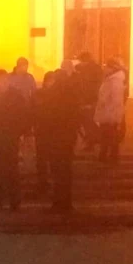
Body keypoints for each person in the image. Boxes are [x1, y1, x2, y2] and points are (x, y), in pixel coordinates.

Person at [0, 69, 30, 211]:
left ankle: (14, 201)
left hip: (10, 139)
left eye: (5, 81)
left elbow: (23, 116)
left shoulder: (16, 96)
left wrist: (20, 133)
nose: (2, 84)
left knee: (11, 170)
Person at [44, 69, 81, 212]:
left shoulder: (52, 94)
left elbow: (47, 118)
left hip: (55, 139)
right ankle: (67, 202)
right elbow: (75, 117)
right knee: (66, 171)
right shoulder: (71, 95)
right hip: (67, 139)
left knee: (57, 172)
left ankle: (58, 201)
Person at [94, 59, 126, 165]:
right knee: (107, 135)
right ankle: (106, 155)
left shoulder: (114, 81)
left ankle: (110, 156)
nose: (104, 69)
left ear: (112, 68)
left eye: (107, 66)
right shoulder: (111, 80)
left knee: (109, 135)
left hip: (110, 113)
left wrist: (112, 113)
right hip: (108, 112)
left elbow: (115, 100)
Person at [33, 71, 57, 195]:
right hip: (42, 130)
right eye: (50, 81)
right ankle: (42, 182)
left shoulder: (58, 95)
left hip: (53, 131)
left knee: (53, 158)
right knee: (41, 158)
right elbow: (34, 110)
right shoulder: (39, 94)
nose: (51, 83)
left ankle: (51, 181)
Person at [75, 52, 103, 148]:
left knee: (89, 122)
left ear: (85, 60)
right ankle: (91, 141)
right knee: (88, 122)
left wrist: (90, 101)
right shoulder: (91, 69)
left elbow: (90, 87)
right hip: (88, 99)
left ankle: (92, 141)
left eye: (81, 61)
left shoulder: (91, 70)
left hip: (90, 100)